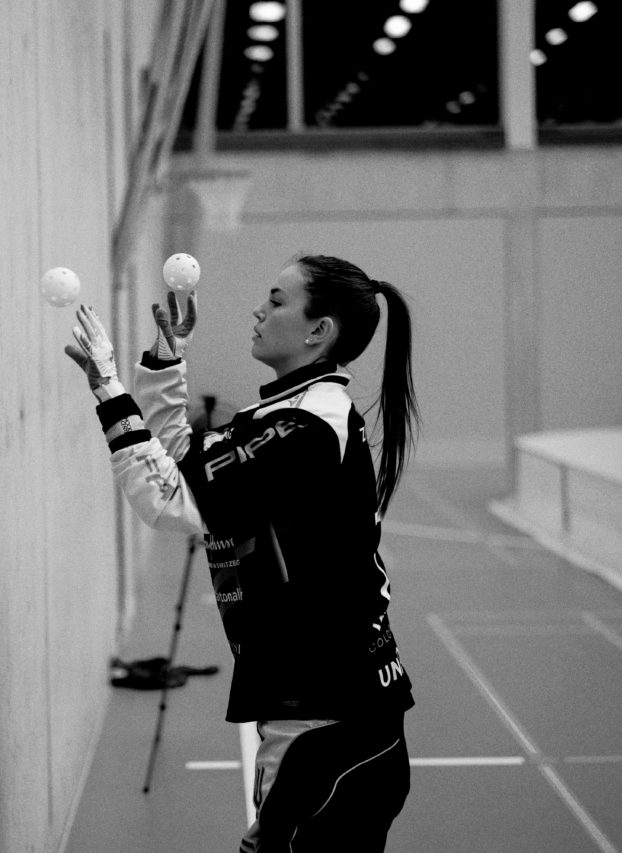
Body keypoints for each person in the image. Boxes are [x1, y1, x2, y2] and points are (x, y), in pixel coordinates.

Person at [66, 254, 418, 852]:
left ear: (318, 330)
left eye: (278, 301)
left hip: (328, 734)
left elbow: (165, 495)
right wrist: (167, 358)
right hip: (332, 724)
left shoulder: (304, 430)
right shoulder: (285, 414)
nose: (259, 310)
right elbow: (182, 458)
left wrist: (106, 384)